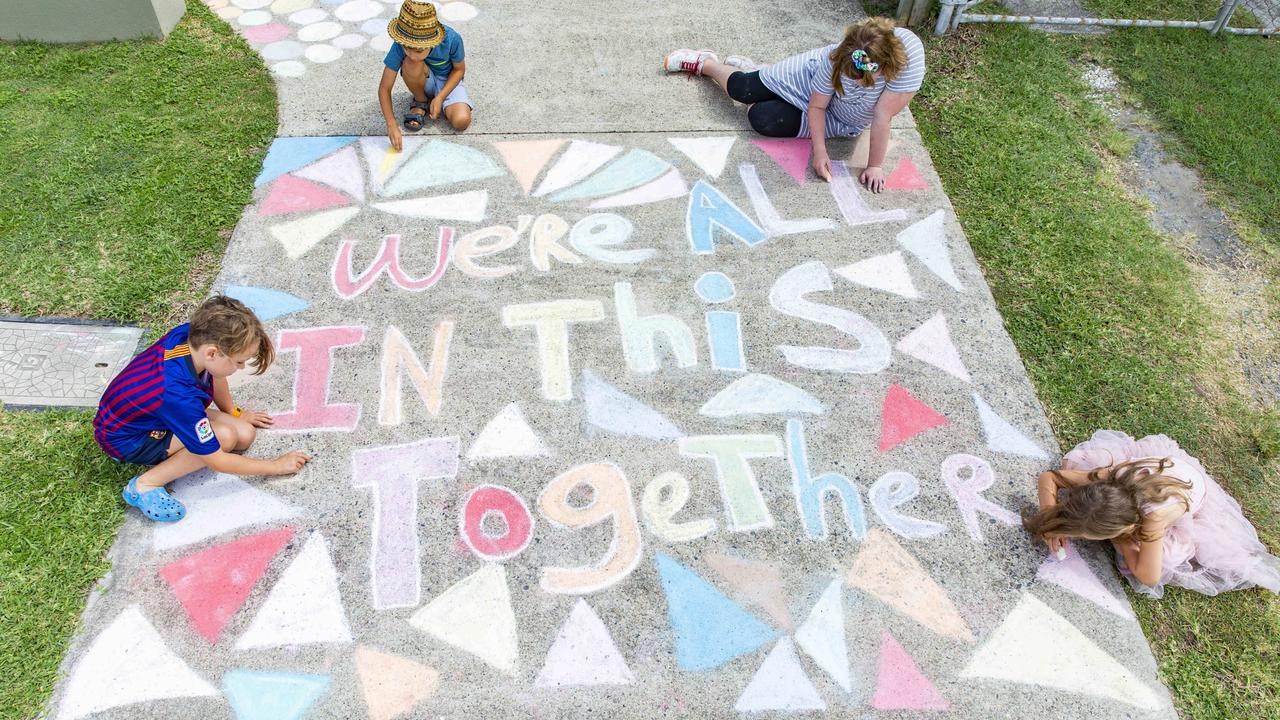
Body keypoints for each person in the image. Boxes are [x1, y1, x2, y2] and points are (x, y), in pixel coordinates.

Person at [93, 296, 310, 522]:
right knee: (224, 438)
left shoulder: (194, 337)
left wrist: (235, 413)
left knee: (245, 434)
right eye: (238, 361)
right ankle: (145, 484)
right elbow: (217, 460)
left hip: (156, 413)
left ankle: (193, 442)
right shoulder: (177, 395)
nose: (241, 367)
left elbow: (216, 375)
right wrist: (275, 466)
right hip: (131, 438)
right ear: (212, 353)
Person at [663, 17, 925, 191]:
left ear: (887, 64)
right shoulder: (835, 59)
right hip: (807, 81)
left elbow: (882, 116)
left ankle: (758, 74)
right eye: (850, 77)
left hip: (843, 117)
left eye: (864, 80)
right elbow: (817, 106)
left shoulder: (908, 58)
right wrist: (820, 150)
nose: (856, 84)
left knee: (761, 119)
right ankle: (706, 64)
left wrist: (875, 165)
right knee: (742, 89)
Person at [1024, 429, 1280, 597]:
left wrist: (1122, 542)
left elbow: (1148, 576)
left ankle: (1128, 538)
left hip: (1190, 494)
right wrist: (1049, 515)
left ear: (1123, 528)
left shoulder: (1154, 519)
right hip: (1154, 473)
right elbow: (1050, 478)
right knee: (1075, 465)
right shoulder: (1112, 475)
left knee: (1166, 557)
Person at [379, 0, 471, 150]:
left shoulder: (452, 39)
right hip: (422, 77)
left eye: (418, 51)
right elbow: (384, 87)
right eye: (407, 49)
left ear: (433, 42)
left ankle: (436, 100)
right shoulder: (400, 45)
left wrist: (440, 97)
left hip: (448, 81)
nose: (411, 54)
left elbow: (459, 70)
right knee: (410, 63)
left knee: (461, 121)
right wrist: (391, 124)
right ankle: (421, 101)